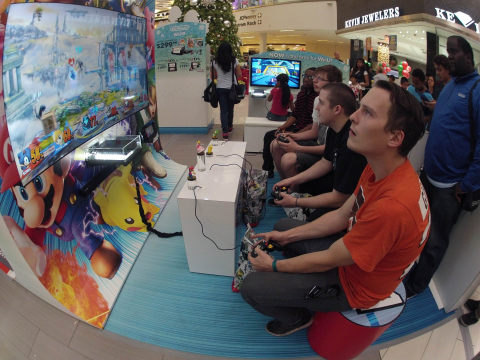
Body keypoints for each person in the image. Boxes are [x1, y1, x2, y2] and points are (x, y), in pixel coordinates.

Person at [240, 80, 430, 337]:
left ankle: (298, 318)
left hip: (355, 285)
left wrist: (274, 267)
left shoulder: (393, 207)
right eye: (359, 108)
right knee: (282, 228)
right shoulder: (380, 166)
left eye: (368, 113)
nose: (354, 116)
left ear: (395, 138)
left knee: (251, 287)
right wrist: (285, 238)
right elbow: (343, 214)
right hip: (351, 250)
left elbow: (333, 257)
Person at [404, 36, 480, 299]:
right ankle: (404, 271)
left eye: (454, 52)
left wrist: (467, 184)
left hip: (451, 186)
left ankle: (416, 286)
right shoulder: (449, 87)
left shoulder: (477, 90)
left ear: (468, 57)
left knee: (435, 239)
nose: (448, 58)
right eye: (447, 52)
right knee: (417, 228)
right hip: (429, 175)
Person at [270, 83, 367, 222]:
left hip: (348, 204)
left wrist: (296, 202)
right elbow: (325, 162)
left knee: (286, 224)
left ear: (337, 109)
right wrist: (293, 180)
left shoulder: (351, 144)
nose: (317, 107)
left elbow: (339, 199)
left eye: (321, 103)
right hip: (336, 186)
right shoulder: (335, 128)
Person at [271, 65, 342, 182]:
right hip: (320, 145)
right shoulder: (315, 100)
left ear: (333, 83)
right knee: (276, 144)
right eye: (314, 77)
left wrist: (298, 147)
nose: (314, 80)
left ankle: (294, 192)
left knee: (288, 159)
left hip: (327, 153)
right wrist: (291, 135)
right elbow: (314, 132)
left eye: (319, 78)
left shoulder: (338, 106)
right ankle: (284, 185)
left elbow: (331, 149)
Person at [262, 67, 317, 178]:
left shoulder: (317, 98)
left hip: (306, 132)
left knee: (275, 142)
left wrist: (296, 134)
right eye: (305, 76)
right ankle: (268, 170)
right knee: (269, 135)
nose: (306, 79)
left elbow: (313, 125)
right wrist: (282, 127)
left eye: (310, 77)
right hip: (296, 127)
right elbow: (294, 114)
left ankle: (285, 178)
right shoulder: (301, 94)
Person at [212, 42, 242, 140]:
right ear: (230, 50)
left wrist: (221, 76)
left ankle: (225, 133)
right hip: (231, 88)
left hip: (220, 88)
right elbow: (239, 74)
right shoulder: (234, 60)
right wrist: (232, 76)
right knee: (230, 109)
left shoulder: (215, 61)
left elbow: (213, 76)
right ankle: (230, 127)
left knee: (223, 111)